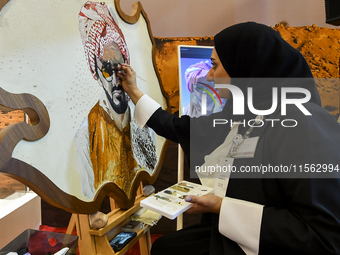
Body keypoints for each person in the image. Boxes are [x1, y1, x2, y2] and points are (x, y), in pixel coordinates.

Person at [119, 22, 340, 254]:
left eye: (214, 65)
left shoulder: (302, 123)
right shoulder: (254, 112)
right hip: (247, 232)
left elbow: (322, 234)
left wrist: (222, 206)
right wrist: (134, 92)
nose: (209, 75)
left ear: (244, 66)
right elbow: (183, 128)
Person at [75, 1, 157, 200]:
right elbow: (86, 199)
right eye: (106, 70)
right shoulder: (86, 134)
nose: (114, 79)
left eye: (119, 68)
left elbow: (151, 166)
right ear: (96, 72)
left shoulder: (146, 123)